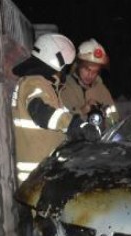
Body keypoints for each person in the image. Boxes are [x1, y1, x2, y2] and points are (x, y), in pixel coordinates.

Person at [11, 33, 97, 182]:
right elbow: (41, 112)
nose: (65, 71)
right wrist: (76, 126)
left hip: (44, 170)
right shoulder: (35, 83)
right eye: (65, 67)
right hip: (37, 175)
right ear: (55, 61)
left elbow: (56, 118)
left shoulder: (45, 84)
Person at [60, 38, 119, 130]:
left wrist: (104, 113)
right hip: (72, 142)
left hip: (97, 142)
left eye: (95, 72)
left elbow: (114, 122)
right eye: (87, 69)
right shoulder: (64, 87)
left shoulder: (101, 90)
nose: (90, 75)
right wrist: (82, 110)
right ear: (77, 65)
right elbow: (60, 121)